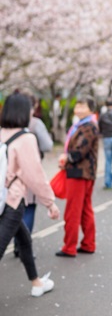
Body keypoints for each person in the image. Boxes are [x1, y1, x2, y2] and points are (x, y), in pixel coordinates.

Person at [0, 92, 60, 297]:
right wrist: (50, 203)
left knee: (24, 239)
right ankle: (36, 284)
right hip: (12, 200)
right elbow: (34, 175)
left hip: (1, 196)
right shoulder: (26, 138)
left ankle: (36, 283)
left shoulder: (1, 133)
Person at [56, 97, 99, 257]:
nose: (78, 109)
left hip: (79, 172)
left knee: (73, 211)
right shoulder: (85, 124)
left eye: (82, 106)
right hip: (86, 172)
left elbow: (80, 150)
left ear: (90, 109)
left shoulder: (87, 126)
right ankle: (88, 244)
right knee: (85, 210)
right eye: (77, 106)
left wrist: (67, 158)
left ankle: (69, 247)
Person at [14, 95, 54, 257]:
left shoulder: (5, 125)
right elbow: (47, 145)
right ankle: (22, 246)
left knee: (13, 209)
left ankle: (15, 242)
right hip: (28, 172)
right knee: (29, 208)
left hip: (9, 176)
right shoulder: (35, 124)